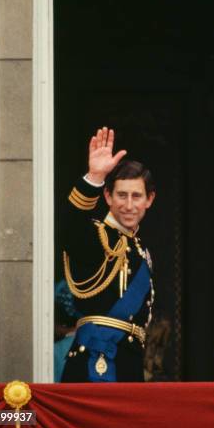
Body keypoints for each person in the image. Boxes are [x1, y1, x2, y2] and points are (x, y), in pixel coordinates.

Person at [61, 127, 156, 382]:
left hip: (128, 361)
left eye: (136, 196)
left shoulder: (140, 250)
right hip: (95, 361)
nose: (128, 204)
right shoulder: (96, 237)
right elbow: (69, 226)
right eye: (121, 195)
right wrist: (94, 176)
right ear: (107, 196)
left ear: (149, 200)